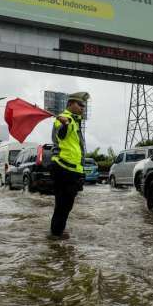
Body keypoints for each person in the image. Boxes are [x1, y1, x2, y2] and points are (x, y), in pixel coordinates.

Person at [50, 92, 89, 238]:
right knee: (62, 205)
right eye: (80, 105)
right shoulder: (64, 119)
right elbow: (60, 135)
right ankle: (56, 237)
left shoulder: (75, 120)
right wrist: (65, 124)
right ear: (70, 104)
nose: (82, 108)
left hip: (73, 171)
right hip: (63, 169)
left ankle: (58, 233)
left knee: (66, 206)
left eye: (84, 106)